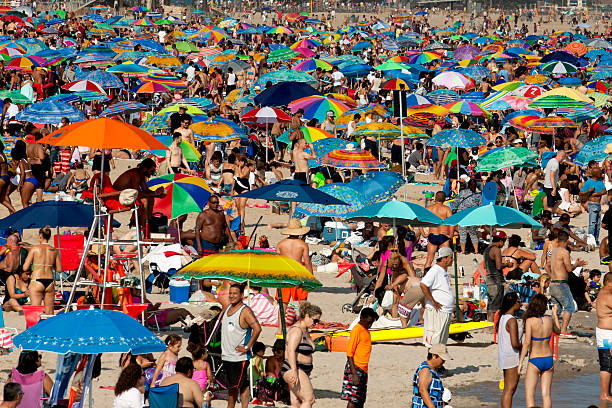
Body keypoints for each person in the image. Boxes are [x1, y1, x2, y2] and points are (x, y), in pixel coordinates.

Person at [221, 283, 262, 408]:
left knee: (235, 387)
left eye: (235, 293)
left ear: (241, 295)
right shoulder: (228, 308)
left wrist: (247, 347)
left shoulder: (245, 311)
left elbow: (257, 328)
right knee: (239, 385)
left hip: (239, 357)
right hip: (227, 355)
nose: (232, 296)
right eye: (230, 293)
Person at [518, 294, 561, 408]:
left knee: (530, 395)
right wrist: (555, 314)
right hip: (548, 359)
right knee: (546, 394)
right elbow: (558, 331)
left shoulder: (530, 321)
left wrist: (520, 362)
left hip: (535, 360)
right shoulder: (549, 320)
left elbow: (527, 343)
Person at [276, 219, 313, 332]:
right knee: (303, 303)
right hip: (298, 274)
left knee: (283, 304)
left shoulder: (281, 244)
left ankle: (280, 329)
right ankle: (304, 326)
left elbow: (277, 262)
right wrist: (311, 277)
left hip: (285, 275)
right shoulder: (302, 244)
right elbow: (307, 262)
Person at [282, 302, 321, 408]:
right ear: (307, 316)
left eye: (318, 321)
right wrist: (294, 371)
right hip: (294, 368)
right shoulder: (297, 330)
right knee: (309, 399)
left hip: (302, 370)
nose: (316, 323)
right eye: (315, 320)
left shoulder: (305, 330)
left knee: (296, 402)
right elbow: (290, 351)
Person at [550, 230, 586, 338]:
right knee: (570, 307)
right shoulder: (564, 252)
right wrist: (577, 264)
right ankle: (563, 331)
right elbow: (569, 269)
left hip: (552, 283)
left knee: (557, 308)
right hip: (561, 284)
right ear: (567, 240)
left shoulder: (554, 251)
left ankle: (554, 329)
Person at [341, 307, 378, 408]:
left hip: (363, 370)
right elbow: (349, 353)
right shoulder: (357, 330)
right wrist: (354, 374)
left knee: (360, 399)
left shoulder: (366, 331)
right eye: (369, 322)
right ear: (361, 318)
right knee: (353, 399)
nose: (370, 325)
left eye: (372, 323)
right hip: (355, 368)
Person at [113, 158, 166, 227]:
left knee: (150, 199)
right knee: (145, 201)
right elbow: (137, 194)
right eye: (151, 171)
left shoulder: (141, 174)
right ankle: (143, 226)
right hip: (118, 198)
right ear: (145, 168)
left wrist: (158, 194)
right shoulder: (135, 174)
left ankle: (147, 223)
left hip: (126, 195)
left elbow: (146, 190)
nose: (152, 173)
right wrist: (155, 193)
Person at [420, 247, 455, 348]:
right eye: (451, 257)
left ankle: (437, 362)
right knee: (433, 341)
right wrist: (433, 301)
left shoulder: (442, 270)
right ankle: (431, 362)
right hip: (437, 311)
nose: (452, 260)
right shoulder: (435, 270)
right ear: (444, 258)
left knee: (440, 342)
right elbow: (423, 284)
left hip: (444, 311)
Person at [23, 226, 61, 315]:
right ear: (49, 237)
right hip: (50, 280)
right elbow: (59, 269)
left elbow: (25, 267)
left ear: (40, 236)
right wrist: (50, 265)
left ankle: (34, 329)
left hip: (37, 279)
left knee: (35, 312)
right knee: (50, 312)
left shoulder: (35, 248)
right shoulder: (54, 250)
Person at [496, 292, 522, 408]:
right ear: (513, 303)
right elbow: (515, 343)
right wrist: (525, 347)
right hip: (511, 357)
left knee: (507, 389)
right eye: (518, 301)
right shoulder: (511, 320)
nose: (520, 303)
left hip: (505, 356)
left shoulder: (503, 317)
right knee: (510, 389)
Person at [411, 344, 452, 408]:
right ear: (434, 356)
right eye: (442, 359)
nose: (444, 361)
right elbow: (422, 390)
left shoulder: (433, 369)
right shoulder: (426, 370)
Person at [483, 230, 509, 321]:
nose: (503, 244)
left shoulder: (487, 249)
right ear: (501, 241)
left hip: (489, 279)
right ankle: (493, 326)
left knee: (491, 304)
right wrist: (507, 265)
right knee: (497, 305)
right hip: (496, 280)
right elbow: (498, 266)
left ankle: (489, 323)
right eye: (504, 242)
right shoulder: (496, 250)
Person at [424, 192, 453, 268]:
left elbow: (419, 220)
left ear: (435, 198)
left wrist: (423, 233)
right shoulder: (446, 209)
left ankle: (425, 277)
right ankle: (442, 279)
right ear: (444, 199)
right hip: (443, 236)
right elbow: (452, 223)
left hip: (432, 235)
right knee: (444, 261)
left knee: (429, 259)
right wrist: (451, 235)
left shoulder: (429, 208)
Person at [452, 179, 481, 254]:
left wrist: (454, 209)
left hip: (462, 215)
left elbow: (456, 203)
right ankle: (476, 251)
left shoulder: (462, 192)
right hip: (473, 215)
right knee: (473, 233)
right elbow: (480, 207)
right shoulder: (478, 195)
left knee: (462, 233)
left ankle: (463, 251)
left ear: (468, 185)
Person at [580, 167, 606, 245]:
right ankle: (590, 241)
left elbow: (604, 191)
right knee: (593, 223)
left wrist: (598, 193)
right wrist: (589, 191)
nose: (601, 174)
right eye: (599, 172)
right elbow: (581, 193)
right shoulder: (589, 182)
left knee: (598, 224)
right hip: (592, 204)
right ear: (595, 174)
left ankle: (596, 240)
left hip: (598, 204)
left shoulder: (600, 181)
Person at [596, 272, 612, 401]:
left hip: (605, 332)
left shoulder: (603, 292)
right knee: (607, 364)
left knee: (609, 364)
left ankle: (607, 393)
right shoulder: (607, 296)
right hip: (607, 334)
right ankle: (604, 394)